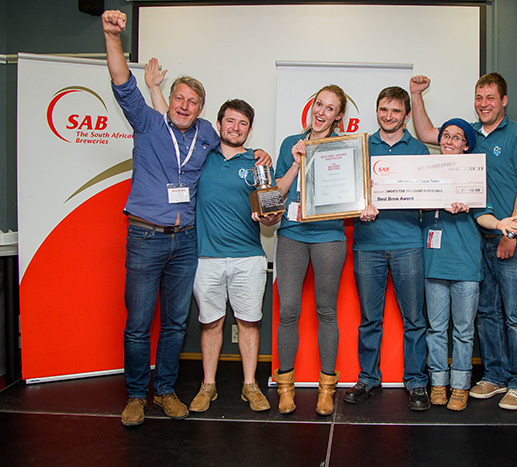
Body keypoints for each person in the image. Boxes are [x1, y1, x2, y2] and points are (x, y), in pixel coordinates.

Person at [103, 10, 269, 427]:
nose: (184, 105)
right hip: (145, 236)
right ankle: (137, 395)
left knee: (176, 324)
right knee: (140, 323)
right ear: (169, 100)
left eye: (192, 102)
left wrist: (263, 154)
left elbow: (240, 143)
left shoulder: (207, 137)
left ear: (201, 111)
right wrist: (112, 37)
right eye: (179, 99)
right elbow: (123, 84)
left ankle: (165, 391)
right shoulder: (147, 123)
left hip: (186, 242)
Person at [410, 73, 517, 411]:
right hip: (477, 241)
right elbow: (427, 134)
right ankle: (495, 376)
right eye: (479, 97)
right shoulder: (469, 134)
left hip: (508, 236)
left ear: (504, 100)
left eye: (490, 97)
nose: (484, 103)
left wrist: (509, 231)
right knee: (487, 315)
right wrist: (416, 94)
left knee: (515, 317)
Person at [186, 99, 282, 414]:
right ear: (219, 124)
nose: (235, 128)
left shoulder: (258, 163)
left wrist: (269, 218)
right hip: (206, 258)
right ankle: (209, 385)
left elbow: (270, 212)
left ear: (249, 129)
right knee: (211, 324)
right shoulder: (201, 158)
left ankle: (250, 385)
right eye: (230, 121)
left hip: (249, 259)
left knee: (249, 323)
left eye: (242, 123)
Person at [424, 118, 517, 412]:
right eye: (446, 136)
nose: (449, 141)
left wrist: (499, 224)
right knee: (436, 328)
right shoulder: (426, 173)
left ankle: (460, 385)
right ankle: (439, 382)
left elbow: (483, 214)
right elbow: (411, 201)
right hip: (434, 264)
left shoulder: (474, 177)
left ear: (467, 146)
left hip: (467, 266)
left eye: (457, 137)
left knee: (464, 331)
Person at [343, 86, 431, 411]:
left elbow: (429, 192)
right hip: (368, 244)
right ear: (377, 110)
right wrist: (358, 207)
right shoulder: (360, 146)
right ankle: (368, 378)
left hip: (409, 243)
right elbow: (347, 192)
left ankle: (417, 382)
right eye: (383, 109)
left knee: (415, 320)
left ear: (406, 114)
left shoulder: (420, 150)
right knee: (369, 319)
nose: (388, 116)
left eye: (395, 111)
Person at [273, 85, 349, 416]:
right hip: (292, 232)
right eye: (319, 104)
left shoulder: (345, 148)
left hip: (329, 235)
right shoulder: (291, 143)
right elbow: (274, 195)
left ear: (338, 116)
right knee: (288, 309)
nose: (321, 112)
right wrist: (295, 162)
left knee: (326, 310)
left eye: (330, 108)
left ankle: (326, 388)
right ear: (312, 106)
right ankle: (285, 387)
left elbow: (351, 196)